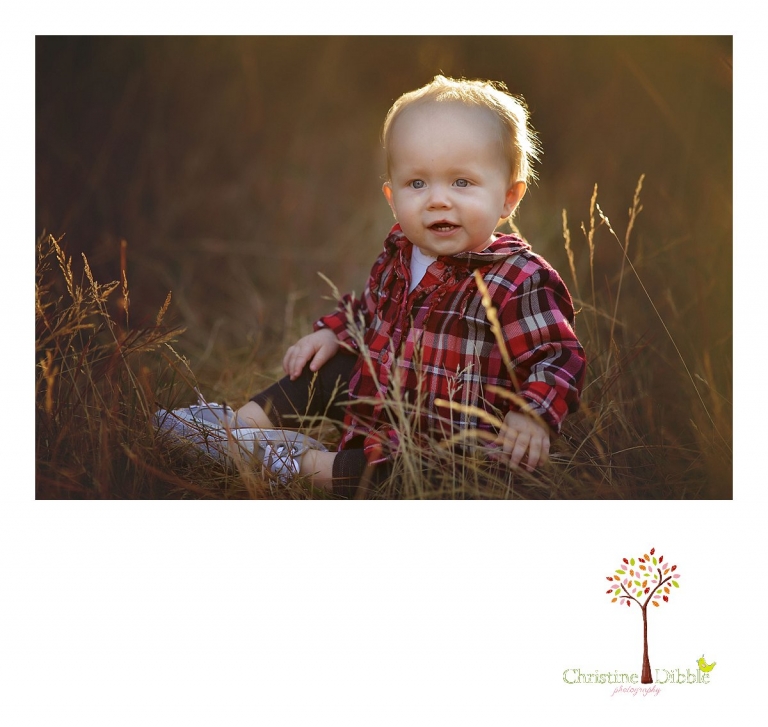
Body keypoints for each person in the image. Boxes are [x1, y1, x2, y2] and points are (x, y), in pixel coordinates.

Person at [155, 75, 586, 497]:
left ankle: (298, 464)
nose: (438, 199)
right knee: (322, 367)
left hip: (449, 446)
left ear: (509, 197)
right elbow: (370, 313)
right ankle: (229, 432)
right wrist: (334, 331)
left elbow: (557, 355)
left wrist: (532, 415)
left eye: (462, 182)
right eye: (417, 183)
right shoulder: (399, 253)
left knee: (423, 472)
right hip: (381, 406)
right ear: (392, 198)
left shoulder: (519, 278)